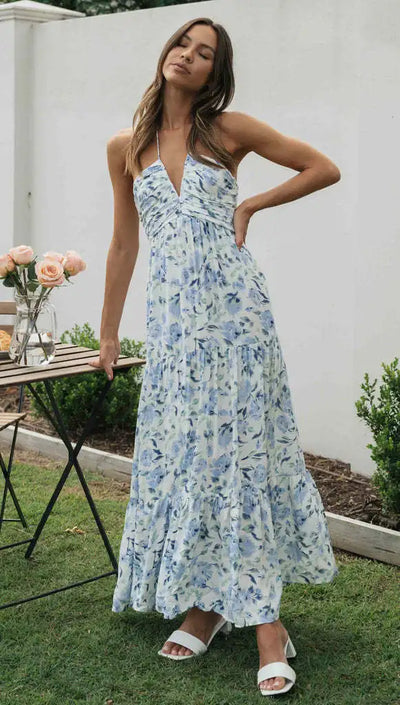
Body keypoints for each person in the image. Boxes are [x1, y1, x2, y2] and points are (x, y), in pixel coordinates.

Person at [89, 16, 341, 696]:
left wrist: (251, 203)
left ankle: (266, 625)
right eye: (183, 43)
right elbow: (123, 244)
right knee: (190, 459)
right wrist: (109, 334)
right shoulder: (125, 147)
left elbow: (323, 167)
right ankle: (207, 603)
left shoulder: (228, 130)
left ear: (213, 73)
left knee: (240, 458)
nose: (188, 55)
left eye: (204, 53)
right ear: (166, 52)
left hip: (236, 319)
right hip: (173, 329)